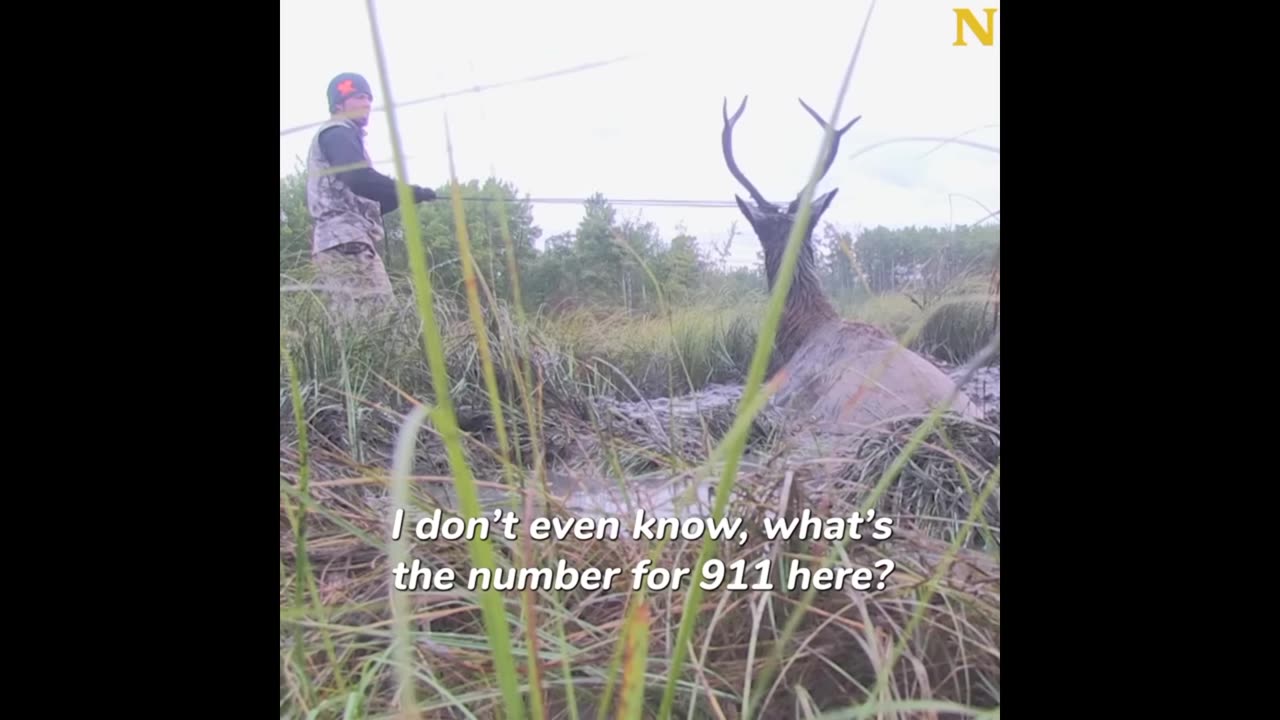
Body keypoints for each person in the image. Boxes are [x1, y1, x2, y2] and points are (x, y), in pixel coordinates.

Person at [305, 71, 439, 326]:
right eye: (358, 97)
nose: (367, 103)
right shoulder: (337, 132)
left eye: (368, 98)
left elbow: (368, 199)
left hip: (338, 243)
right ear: (339, 104)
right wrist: (409, 190)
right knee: (382, 325)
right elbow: (359, 178)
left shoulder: (341, 139)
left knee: (352, 326)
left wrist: (415, 196)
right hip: (346, 244)